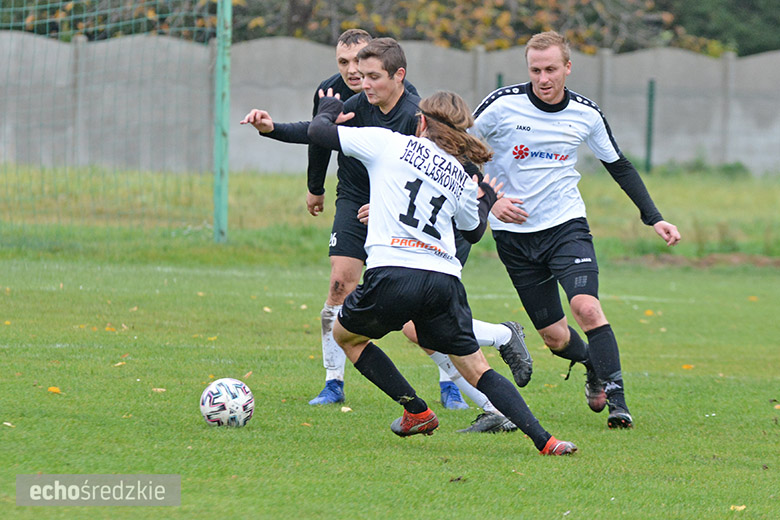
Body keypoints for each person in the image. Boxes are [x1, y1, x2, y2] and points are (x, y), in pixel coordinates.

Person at [242, 38, 532, 433]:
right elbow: (319, 134)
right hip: (364, 206)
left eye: (368, 73)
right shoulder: (357, 103)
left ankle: (492, 364)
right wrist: (271, 128)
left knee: (421, 329)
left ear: (398, 76)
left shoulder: (417, 116)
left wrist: (489, 199)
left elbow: (462, 169)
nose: (357, 79)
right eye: (350, 68)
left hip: (425, 229)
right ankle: (334, 383)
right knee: (342, 286)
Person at [306, 88, 576, 455]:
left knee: (347, 337)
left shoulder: (392, 144)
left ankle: (416, 410)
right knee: (477, 368)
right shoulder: (462, 175)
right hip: (443, 279)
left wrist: (327, 110)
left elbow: (319, 133)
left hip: (396, 270)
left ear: (421, 122)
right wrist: (488, 200)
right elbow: (473, 232)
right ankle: (547, 441)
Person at [470, 31, 681, 429]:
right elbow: (459, 150)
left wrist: (654, 217)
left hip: (566, 226)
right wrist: (489, 199)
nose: (543, 78)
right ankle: (590, 364)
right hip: (513, 235)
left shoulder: (586, 113)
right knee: (553, 337)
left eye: (551, 69)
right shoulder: (501, 106)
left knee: (586, 307)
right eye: (535, 70)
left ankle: (618, 402)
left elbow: (618, 165)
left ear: (568, 67)